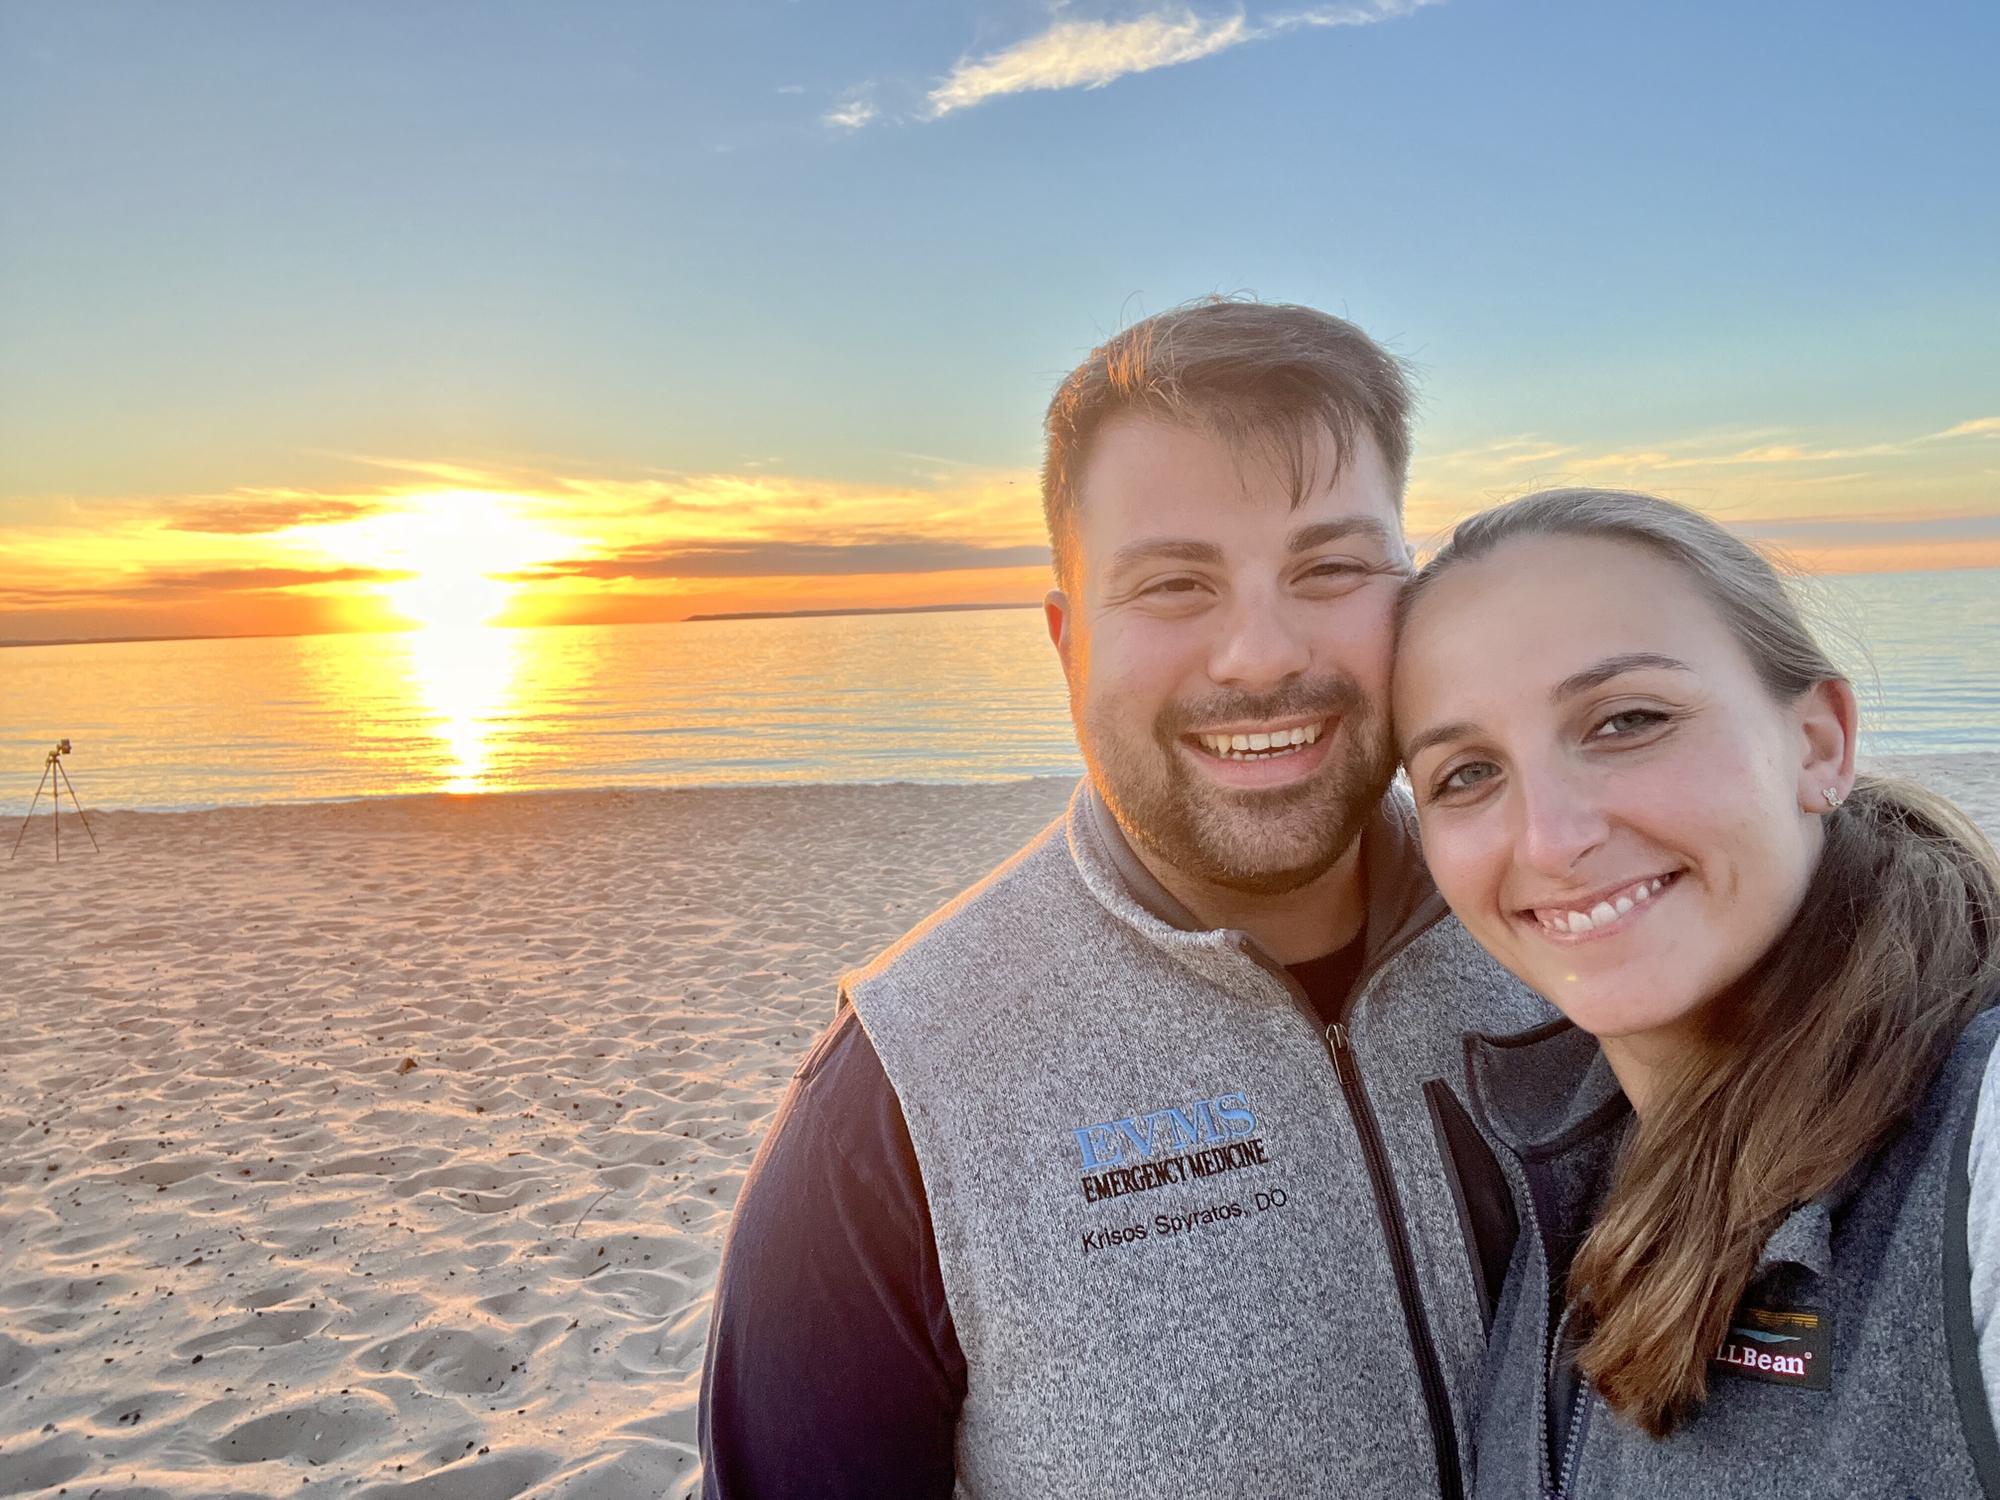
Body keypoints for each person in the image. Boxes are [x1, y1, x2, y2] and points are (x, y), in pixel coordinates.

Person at [697, 299, 1549, 1498]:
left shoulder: (1579, 942)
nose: (1259, 654)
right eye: (1173, 585)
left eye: (1331, 567)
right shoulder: (900, 1102)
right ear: (1064, 641)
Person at [1391, 487, 2000, 1497]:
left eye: (1626, 720)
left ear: (1816, 744)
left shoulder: (1974, 1144)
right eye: (1463, 775)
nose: (1549, 839)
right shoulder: (1549, 1166)